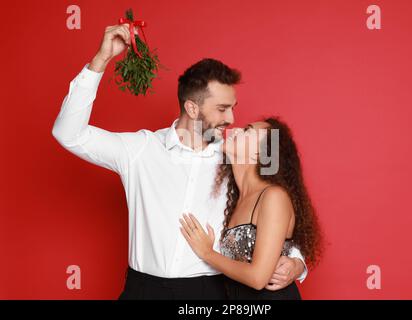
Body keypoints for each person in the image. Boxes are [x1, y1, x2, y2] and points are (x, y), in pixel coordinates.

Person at [52, 23, 308, 300]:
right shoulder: (141, 149)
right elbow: (68, 133)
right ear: (192, 108)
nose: (232, 120)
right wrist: (100, 60)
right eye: (222, 109)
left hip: (211, 293)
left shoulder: (236, 156)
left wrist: (296, 263)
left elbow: (270, 211)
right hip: (143, 290)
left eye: (233, 108)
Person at [180, 118, 323, 299]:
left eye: (248, 130)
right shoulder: (232, 194)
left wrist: (208, 254)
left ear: (260, 154)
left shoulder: (273, 196)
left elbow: (258, 278)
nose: (236, 128)